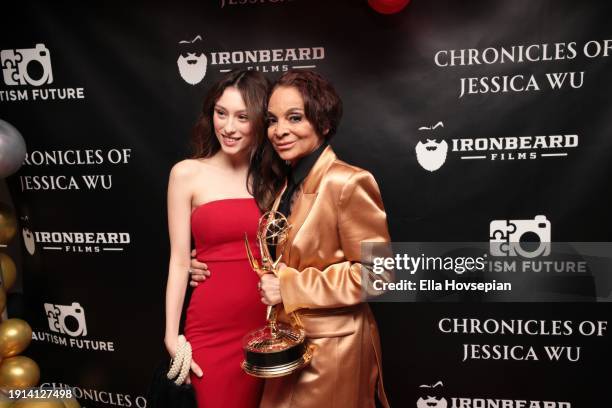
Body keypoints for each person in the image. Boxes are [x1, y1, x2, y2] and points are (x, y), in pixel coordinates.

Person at [191, 70, 391, 408]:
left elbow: (378, 275)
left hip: (333, 350)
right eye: (272, 119)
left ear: (324, 124)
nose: (279, 130)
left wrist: (289, 287)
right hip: (290, 347)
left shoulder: (347, 181)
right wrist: (202, 263)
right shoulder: (287, 183)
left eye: (294, 118)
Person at [165, 69, 279, 408]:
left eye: (242, 117)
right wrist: (172, 336)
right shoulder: (186, 173)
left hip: (272, 328)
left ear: (260, 120)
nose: (228, 127)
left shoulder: (276, 177)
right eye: (221, 113)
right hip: (211, 328)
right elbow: (179, 261)